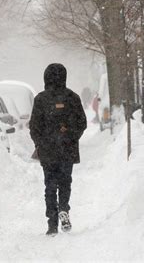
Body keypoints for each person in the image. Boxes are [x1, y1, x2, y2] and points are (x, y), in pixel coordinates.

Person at [29, 63, 87, 236]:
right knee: (65, 181)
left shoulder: (41, 99)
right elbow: (81, 123)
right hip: (67, 149)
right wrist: (71, 136)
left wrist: (39, 143)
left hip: (48, 150)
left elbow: (34, 126)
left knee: (50, 184)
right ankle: (64, 209)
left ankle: (52, 223)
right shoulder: (73, 98)